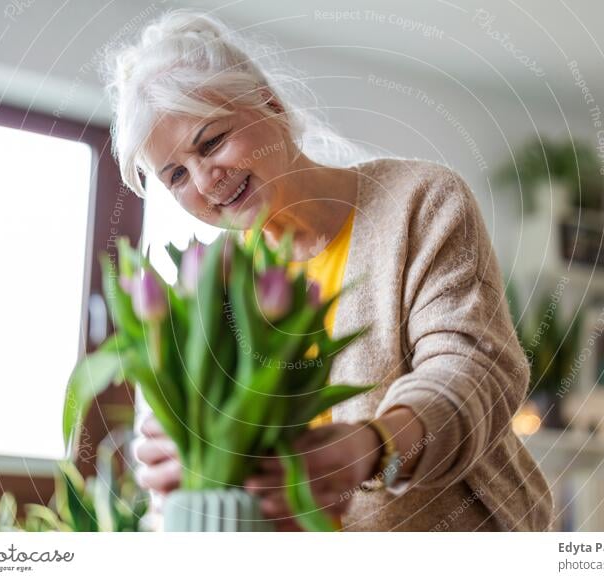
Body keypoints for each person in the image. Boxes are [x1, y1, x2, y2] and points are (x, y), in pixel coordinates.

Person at [108, 8, 553, 531]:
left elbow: (474, 369)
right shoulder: (212, 287)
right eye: (177, 174)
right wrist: (182, 474)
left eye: (212, 142)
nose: (206, 182)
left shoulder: (420, 204)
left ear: (268, 103)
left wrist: (373, 447)